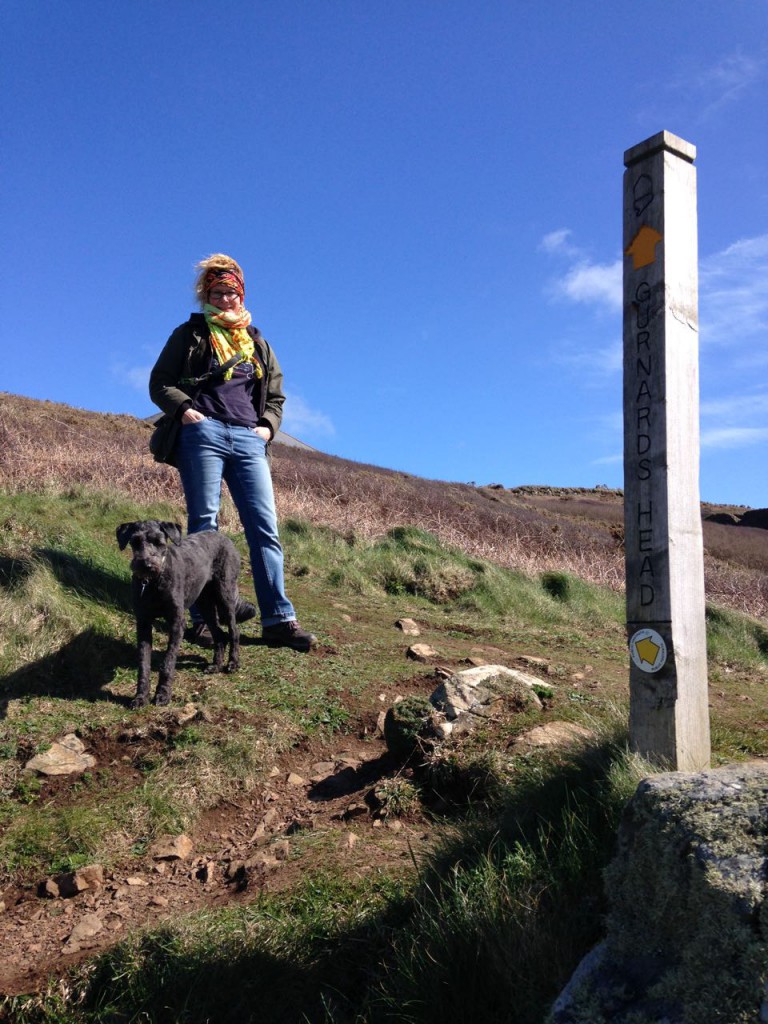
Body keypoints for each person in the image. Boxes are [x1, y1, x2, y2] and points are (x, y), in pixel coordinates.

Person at [149, 253, 316, 652]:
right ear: (207, 294)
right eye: (218, 292)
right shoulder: (189, 334)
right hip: (202, 433)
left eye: (231, 293)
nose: (225, 299)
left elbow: (275, 395)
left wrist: (266, 429)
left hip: (248, 439)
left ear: (242, 296)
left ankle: (279, 620)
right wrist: (186, 411)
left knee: (265, 530)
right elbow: (160, 382)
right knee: (204, 527)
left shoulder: (257, 341)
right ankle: (204, 619)